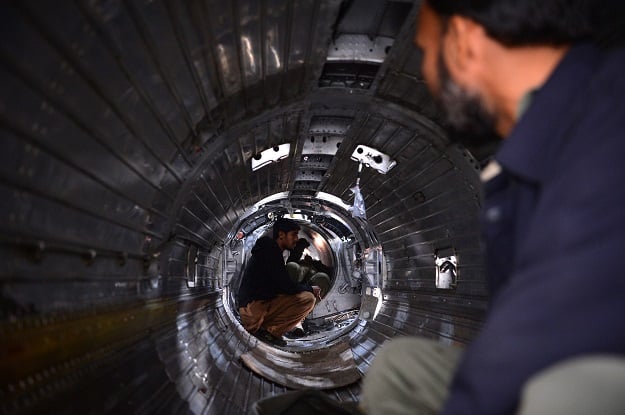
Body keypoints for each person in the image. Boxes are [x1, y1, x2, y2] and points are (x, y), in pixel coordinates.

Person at [359, 1, 625, 414]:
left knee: (566, 392)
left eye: (427, 51)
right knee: (402, 368)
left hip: (583, 368)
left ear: (463, 41)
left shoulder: (609, 115)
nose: (426, 73)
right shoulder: (537, 151)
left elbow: (548, 332)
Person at [238, 218, 322, 346]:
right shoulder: (269, 249)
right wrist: (311, 289)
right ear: (281, 235)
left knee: (302, 296)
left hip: (256, 307)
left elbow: (280, 286)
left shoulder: (273, 251)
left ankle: (267, 331)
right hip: (252, 311)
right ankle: (271, 332)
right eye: (294, 234)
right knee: (308, 298)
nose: (296, 239)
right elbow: (286, 286)